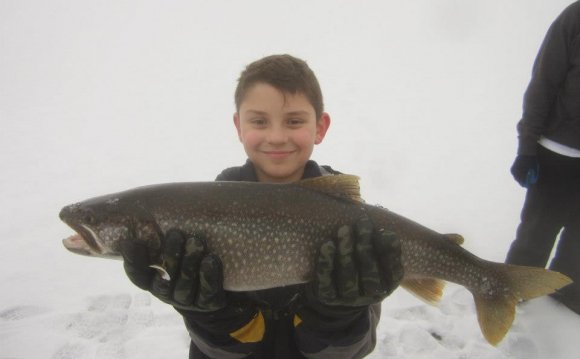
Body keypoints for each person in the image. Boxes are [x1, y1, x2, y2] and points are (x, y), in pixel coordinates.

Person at [121, 54, 404, 358]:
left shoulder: (354, 229)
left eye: (294, 121)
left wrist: (338, 319)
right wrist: (213, 320)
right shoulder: (202, 218)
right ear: (238, 126)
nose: (277, 137)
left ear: (320, 127)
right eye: (259, 121)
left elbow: (356, 349)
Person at [505, 1, 580, 315]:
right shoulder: (576, 16)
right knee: (535, 235)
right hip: (558, 152)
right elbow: (543, 83)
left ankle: (566, 301)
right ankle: (508, 296)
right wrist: (527, 148)